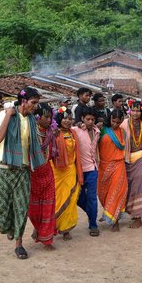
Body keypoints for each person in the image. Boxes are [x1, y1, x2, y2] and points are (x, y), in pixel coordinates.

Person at [0, 87, 46, 259]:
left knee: (21, 207)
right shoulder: (6, 114)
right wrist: (8, 115)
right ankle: (8, 228)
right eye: (33, 103)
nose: (35, 106)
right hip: (4, 168)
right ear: (23, 101)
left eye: (37, 103)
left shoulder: (31, 120)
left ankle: (19, 244)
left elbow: (35, 144)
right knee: (2, 208)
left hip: (23, 169)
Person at [51, 107, 83, 240]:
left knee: (70, 200)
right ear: (59, 119)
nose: (68, 121)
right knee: (57, 199)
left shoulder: (73, 133)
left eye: (70, 118)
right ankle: (52, 226)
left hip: (70, 170)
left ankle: (65, 229)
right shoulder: (54, 133)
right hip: (57, 171)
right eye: (65, 118)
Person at [29, 103, 57, 249]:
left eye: (50, 117)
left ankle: (47, 239)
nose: (48, 120)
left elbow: (53, 155)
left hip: (47, 173)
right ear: (38, 117)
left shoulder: (51, 133)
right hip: (33, 174)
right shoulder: (30, 133)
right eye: (46, 117)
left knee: (48, 207)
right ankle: (38, 228)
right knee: (33, 210)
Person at [120, 100, 142, 228]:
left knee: (138, 186)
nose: (135, 113)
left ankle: (138, 216)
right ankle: (130, 212)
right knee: (128, 186)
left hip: (141, 157)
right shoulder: (123, 124)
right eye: (133, 110)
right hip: (126, 159)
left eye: (138, 110)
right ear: (129, 111)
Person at [97, 109, 129, 232]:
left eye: (118, 122)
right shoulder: (102, 130)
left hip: (118, 165)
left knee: (116, 192)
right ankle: (108, 212)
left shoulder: (123, 132)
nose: (115, 124)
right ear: (109, 119)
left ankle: (115, 221)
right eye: (113, 121)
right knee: (103, 193)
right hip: (104, 166)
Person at [73, 107, 101, 236]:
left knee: (92, 198)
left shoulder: (97, 131)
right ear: (82, 119)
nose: (90, 121)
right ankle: (91, 214)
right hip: (78, 170)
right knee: (78, 197)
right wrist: (77, 124)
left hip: (92, 169)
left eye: (92, 119)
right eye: (87, 119)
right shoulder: (76, 130)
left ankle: (93, 224)